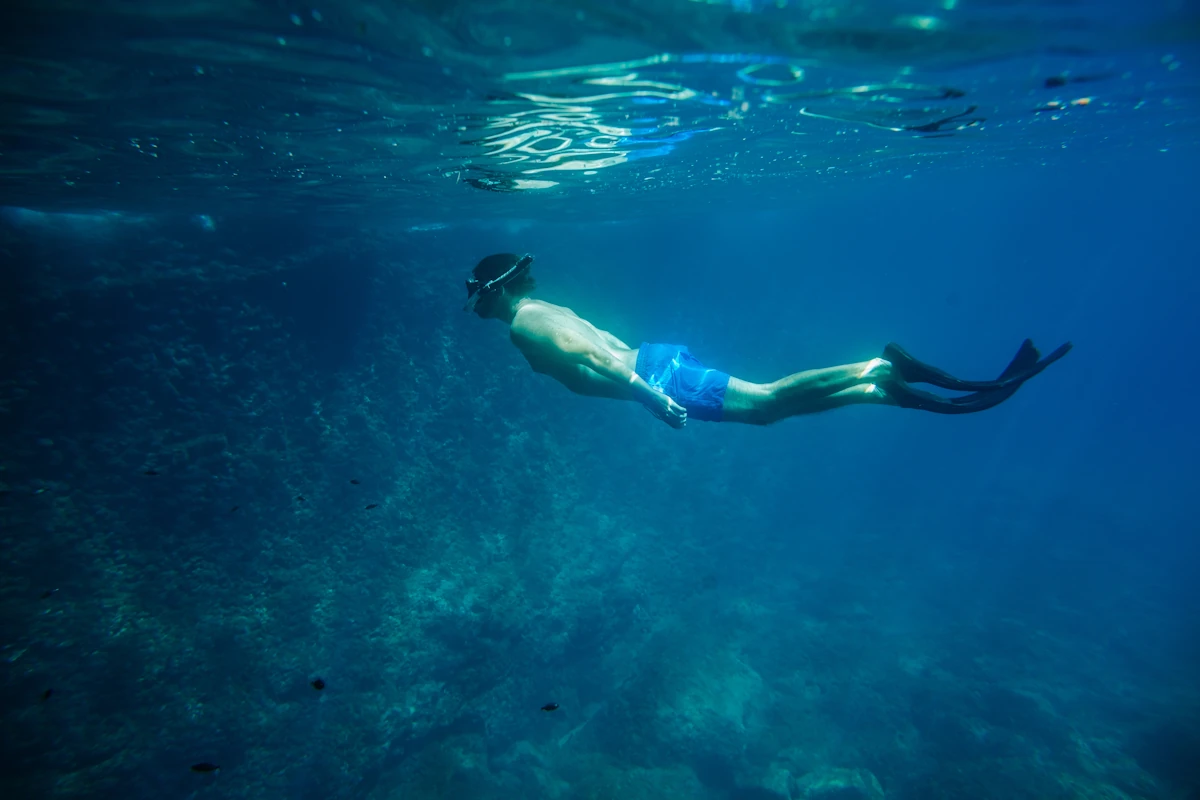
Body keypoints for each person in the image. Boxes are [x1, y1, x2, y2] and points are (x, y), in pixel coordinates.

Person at [464, 253, 1071, 429]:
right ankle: (876, 387)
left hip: (657, 376)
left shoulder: (525, 322)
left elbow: (594, 354)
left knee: (767, 400)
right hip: (656, 363)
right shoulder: (543, 307)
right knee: (767, 412)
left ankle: (876, 368)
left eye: (479, 297)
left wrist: (650, 397)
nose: (479, 307)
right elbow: (601, 344)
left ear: (496, 292)